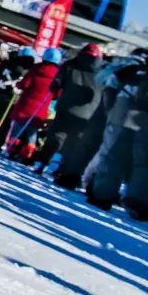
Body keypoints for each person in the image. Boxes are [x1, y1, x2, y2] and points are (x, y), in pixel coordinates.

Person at [85, 48, 148, 217]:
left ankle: (102, 195)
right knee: (145, 165)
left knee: (114, 158)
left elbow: (108, 83)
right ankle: (136, 203)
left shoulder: (134, 72)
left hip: (126, 118)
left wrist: (110, 110)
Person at [45, 43, 106, 187]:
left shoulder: (70, 64)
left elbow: (56, 84)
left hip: (66, 107)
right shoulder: (104, 71)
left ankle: (44, 162)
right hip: (89, 113)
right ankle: (66, 170)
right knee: (75, 144)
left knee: (57, 136)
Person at [3, 48, 63, 159]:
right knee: (32, 133)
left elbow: (24, 84)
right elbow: (57, 94)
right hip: (40, 109)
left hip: (25, 105)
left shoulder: (36, 68)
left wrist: (18, 85)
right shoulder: (58, 75)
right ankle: (27, 154)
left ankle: (11, 149)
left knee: (17, 129)